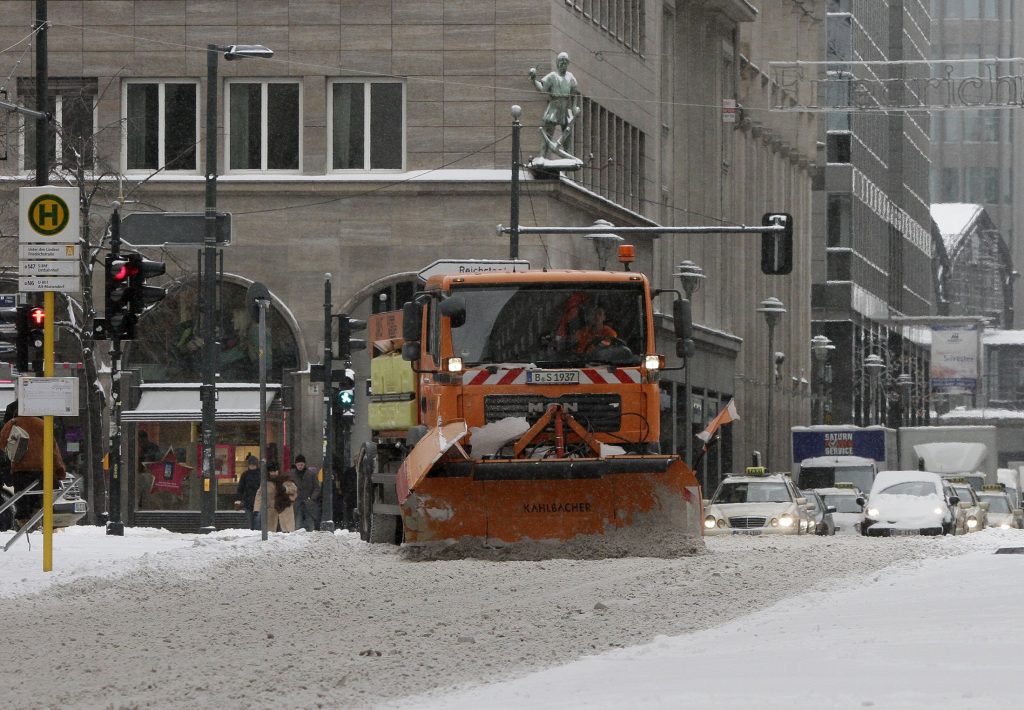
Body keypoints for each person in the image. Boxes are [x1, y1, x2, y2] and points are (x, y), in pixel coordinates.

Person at [528, 52, 581, 160]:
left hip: (566, 107)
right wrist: (534, 80)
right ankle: (542, 156)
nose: (563, 63)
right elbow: (542, 88)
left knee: (567, 134)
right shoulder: (552, 76)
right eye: (561, 60)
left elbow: (574, 94)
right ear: (557, 63)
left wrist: (575, 107)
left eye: (565, 61)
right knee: (547, 133)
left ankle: (568, 157)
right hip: (554, 106)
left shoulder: (571, 77)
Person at [254, 461, 297, 533]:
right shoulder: (266, 482)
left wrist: (285, 489)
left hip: (285, 507)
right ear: (269, 472)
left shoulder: (285, 479)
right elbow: (259, 495)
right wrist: (257, 509)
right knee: (271, 533)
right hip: (271, 509)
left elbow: (294, 489)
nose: (274, 473)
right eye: (272, 471)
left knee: (287, 533)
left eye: (275, 471)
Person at [290, 454, 321, 532]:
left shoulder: (311, 474)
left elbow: (317, 488)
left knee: (309, 521)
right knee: (298, 521)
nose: (300, 466)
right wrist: (292, 497)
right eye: (298, 465)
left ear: (304, 464)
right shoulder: (291, 474)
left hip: (308, 502)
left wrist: (312, 498)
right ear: (295, 464)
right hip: (297, 502)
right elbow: (288, 487)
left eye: (302, 464)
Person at [235, 455, 261, 530]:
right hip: (248, 501)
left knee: (257, 520)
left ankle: (256, 534)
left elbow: (241, 488)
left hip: (257, 501)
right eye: (251, 465)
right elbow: (240, 488)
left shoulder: (260, 474)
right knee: (250, 521)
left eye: (253, 465)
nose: (252, 466)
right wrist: (238, 500)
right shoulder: (245, 475)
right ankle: (253, 534)